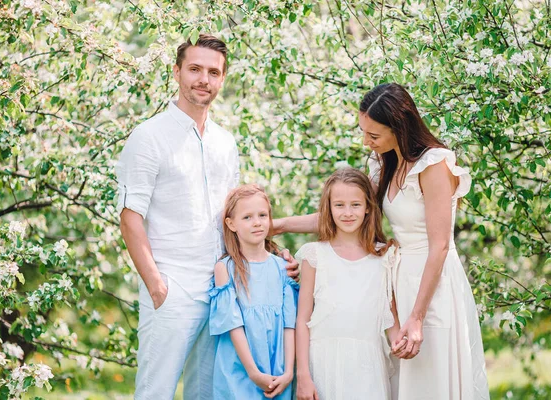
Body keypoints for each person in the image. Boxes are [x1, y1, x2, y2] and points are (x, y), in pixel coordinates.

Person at [275, 83, 489, 399]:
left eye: (373, 136)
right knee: (401, 377)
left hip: (433, 283)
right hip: (396, 278)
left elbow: (440, 244)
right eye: (364, 132)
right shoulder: (384, 163)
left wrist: (416, 317)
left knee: (432, 376)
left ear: (400, 129)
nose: (366, 142)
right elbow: (342, 217)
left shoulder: (434, 165)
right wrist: (276, 225)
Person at [116, 35, 297, 400]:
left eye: (213, 72)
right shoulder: (149, 137)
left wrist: (273, 251)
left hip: (223, 288)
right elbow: (130, 217)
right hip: (173, 286)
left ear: (223, 78)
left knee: (209, 393)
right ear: (177, 72)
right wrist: (156, 285)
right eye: (195, 69)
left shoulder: (225, 143)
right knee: (156, 391)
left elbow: (237, 217)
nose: (204, 79)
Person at [295, 168, 401, 400]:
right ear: (328, 208)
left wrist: (400, 343)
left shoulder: (384, 256)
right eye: (339, 205)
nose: (347, 212)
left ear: (368, 208)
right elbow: (302, 319)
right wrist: (303, 375)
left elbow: (389, 316)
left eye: (355, 204)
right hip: (323, 363)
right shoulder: (315, 256)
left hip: (368, 365)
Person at [208, 184, 298, 399]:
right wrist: (253, 373)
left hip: (277, 367)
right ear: (231, 224)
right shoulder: (225, 269)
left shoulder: (282, 268)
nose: (257, 222)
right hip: (240, 368)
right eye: (247, 217)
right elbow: (233, 325)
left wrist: (288, 372)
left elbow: (289, 324)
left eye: (262, 215)